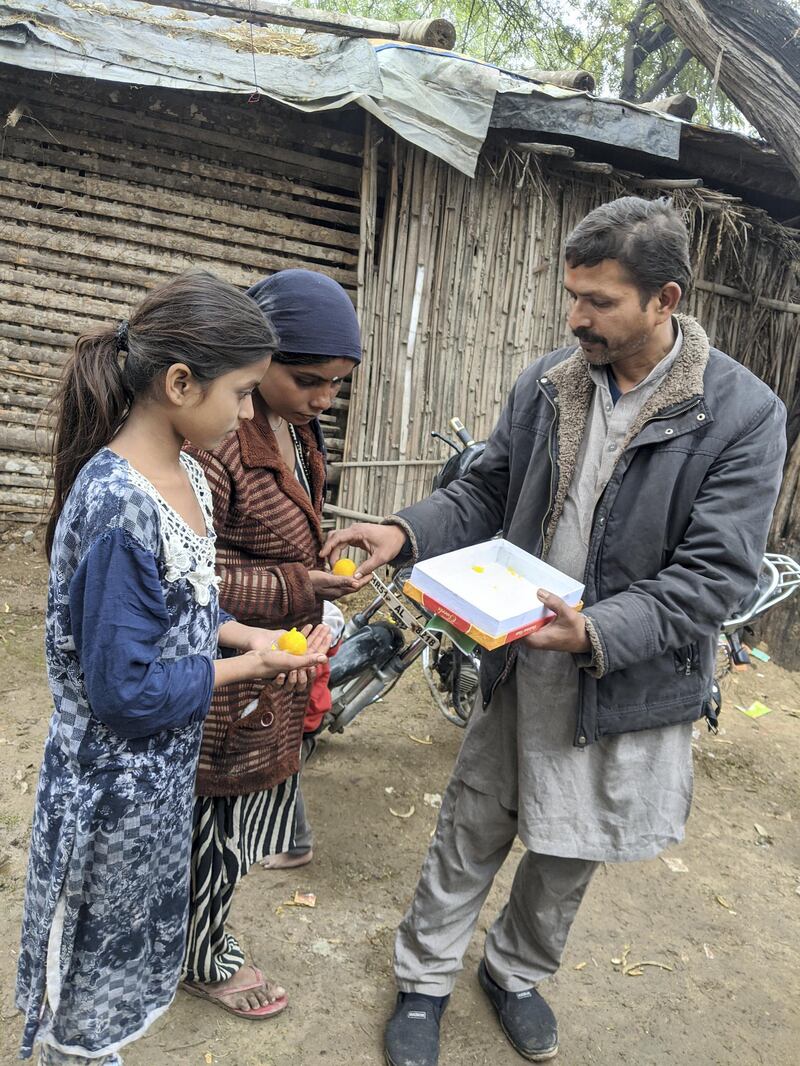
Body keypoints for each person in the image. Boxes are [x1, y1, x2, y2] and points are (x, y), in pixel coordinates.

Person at [322, 197, 787, 1065]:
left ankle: (513, 971)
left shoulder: (740, 415)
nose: (577, 317)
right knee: (473, 820)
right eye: (572, 295)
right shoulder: (552, 382)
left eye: (600, 301)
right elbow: (487, 488)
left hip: (627, 670)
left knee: (572, 843)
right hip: (519, 654)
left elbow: (716, 575)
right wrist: (406, 531)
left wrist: (596, 631)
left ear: (665, 300)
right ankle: (422, 981)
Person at [14, 272, 326, 1066]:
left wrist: (250, 635)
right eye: (243, 392)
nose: (250, 412)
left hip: (158, 783)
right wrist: (245, 672)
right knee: (87, 978)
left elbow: (191, 601)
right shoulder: (119, 506)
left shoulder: (185, 474)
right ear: (180, 383)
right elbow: (125, 692)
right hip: (110, 794)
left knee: (126, 951)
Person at [181, 268, 363, 1018]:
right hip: (230, 667)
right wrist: (303, 584)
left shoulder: (295, 427)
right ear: (258, 361)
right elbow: (196, 578)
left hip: (275, 660)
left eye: (338, 384)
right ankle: (200, 956)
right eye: (311, 380)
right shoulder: (217, 444)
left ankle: (276, 834)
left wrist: (313, 571)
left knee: (253, 801)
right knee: (214, 825)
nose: (325, 398)